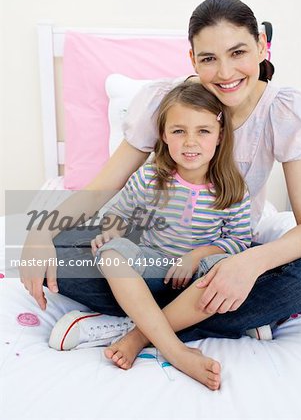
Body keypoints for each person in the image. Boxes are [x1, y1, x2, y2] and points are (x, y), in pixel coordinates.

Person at [20, 0, 301, 355]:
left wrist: (247, 265)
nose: (226, 73)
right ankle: (213, 320)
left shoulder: (283, 109)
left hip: (218, 260)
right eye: (209, 59)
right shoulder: (167, 102)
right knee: (58, 250)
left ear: (261, 46)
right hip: (152, 252)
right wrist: (40, 232)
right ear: (192, 59)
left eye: (238, 52)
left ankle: (135, 329)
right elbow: (105, 186)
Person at [51, 82, 252, 390]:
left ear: (220, 135)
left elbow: (239, 243)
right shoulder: (149, 177)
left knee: (225, 271)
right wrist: (112, 232)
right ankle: (179, 343)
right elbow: (117, 213)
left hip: (199, 278)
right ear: (163, 136)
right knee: (106, 253)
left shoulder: (233, 190)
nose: (190, 142)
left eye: (203, 131)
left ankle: (143, 335)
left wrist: (196, 257)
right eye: (179, 131)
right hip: (154, 269)